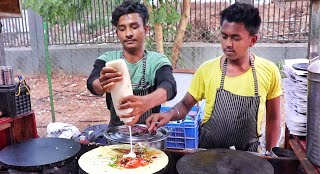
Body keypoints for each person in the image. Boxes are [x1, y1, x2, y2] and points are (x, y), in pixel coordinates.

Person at [146, 2, 282, 153]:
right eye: (224, 36)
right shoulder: (207, 70)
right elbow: (185, 105)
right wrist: (168, 114)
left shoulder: (269, 71)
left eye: (236, 38)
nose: (228, 44)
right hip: (208, 155)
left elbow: (273, 118)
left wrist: (270, 155)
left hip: (249, 157)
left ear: (253, 40)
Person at [87, 1, 177, 127]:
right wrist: (102, 84)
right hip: (117, 133)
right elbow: (92, 83)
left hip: (149, 132)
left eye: (134, 27)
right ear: (117, 33)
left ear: (145, 29)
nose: (128, 34)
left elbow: (170, 87)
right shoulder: (108, 60)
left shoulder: (157, 61)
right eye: (122, 29)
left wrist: (146, 102)